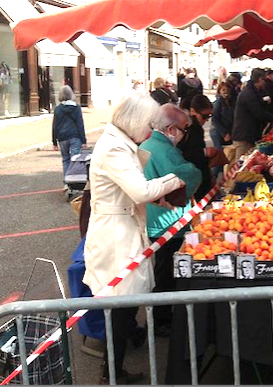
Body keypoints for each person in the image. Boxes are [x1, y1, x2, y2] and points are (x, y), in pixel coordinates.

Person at [84, 93, 186, 384]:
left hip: (123, 227)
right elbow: (139, 190)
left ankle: (115, 366)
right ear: (135, 121)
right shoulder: (115, 147)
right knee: (120, 304)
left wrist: (160, 197)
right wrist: (172, 181)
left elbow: (130, 192)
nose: (151, 130)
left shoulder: (119, 142)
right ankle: (112, 373)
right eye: (148, 124)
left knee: (124, 304)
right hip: (116, 235)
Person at [139, 103, 202, 336]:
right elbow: (188, 174)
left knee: (161, 270)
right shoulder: (164, 150)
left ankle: (161, 317)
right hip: (167, 221)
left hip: (154, 218)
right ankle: (161, 321)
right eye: (184, 129)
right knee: (166, 273)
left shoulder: (147, 144)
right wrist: (194, 170)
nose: (184, 135)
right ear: (172, 129)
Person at [230, 68, 273, 167]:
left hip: (249, 134)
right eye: (264, 80)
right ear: (260, 79)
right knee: (242, 166)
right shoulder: (249, 93)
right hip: (244, 135)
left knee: (248, 164)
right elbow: (258, 113)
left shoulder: (253, 91)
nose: (266, 83)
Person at [178, 94, 217, 201]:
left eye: (209, 116)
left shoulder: (195, 126)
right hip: (194, 175)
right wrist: (204, 152)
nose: (206, 120)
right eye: (204, 116)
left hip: (199, 174)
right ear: (193, 111)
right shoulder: (189, 127)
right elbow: (184, 152)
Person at [52, 85, 86, 180]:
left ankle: (67, 181)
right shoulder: (76, 108)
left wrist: (54, 142)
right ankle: (74, 181)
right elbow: (80, 124)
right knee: (75, 159)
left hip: (62, 137)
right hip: (75, 136)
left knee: (65, 159)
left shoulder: (58, 109)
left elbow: (55, 126)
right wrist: (83, 140)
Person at [211, 82, 234, 178]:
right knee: (220, 155)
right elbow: (215, 119)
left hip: (227, 131)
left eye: (228, 90)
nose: (226, 92)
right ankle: (213, 177)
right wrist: (224, 133)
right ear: (219, 91)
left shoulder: (230, 102)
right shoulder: (218, 103)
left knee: (227, 154)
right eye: (223, 90)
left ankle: (221, 175)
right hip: (217, 132)